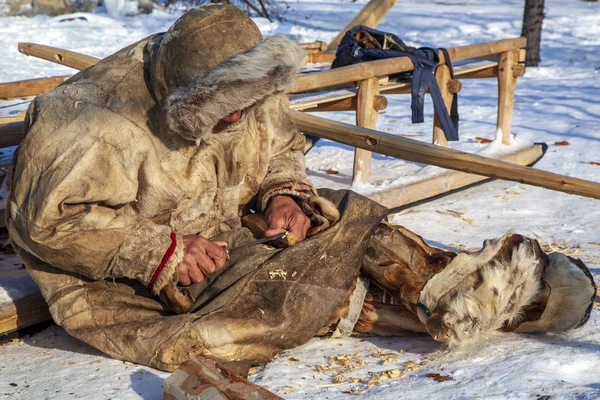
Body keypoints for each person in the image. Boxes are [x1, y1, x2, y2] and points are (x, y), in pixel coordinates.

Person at [7, 3, 595, 373]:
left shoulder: (246, 82)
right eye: (222, 113)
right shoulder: (90, 126)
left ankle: (475, 288)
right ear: (186, 96)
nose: (238, 122)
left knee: (354, 225)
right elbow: (45, 224)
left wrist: (282, 195)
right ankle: (499, 304)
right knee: (288, 298)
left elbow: (279, 148)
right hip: (117, 277)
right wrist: (159, 250)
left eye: (245, 108)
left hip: (226, 225)